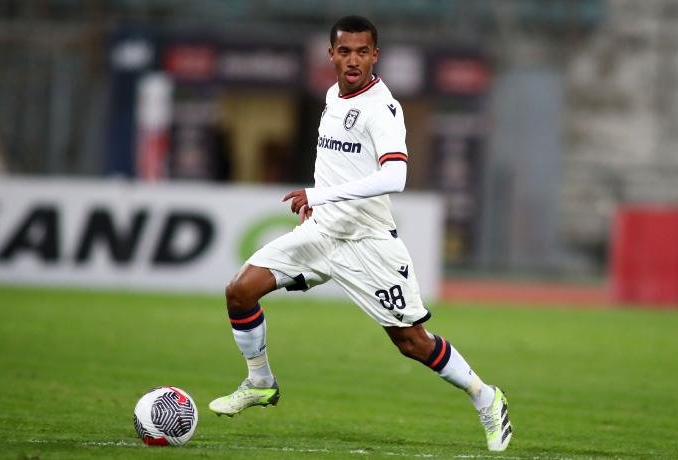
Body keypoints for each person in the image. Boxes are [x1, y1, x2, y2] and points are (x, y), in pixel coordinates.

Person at [209, 15, 512, 452]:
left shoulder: (382, 109)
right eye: (345, 51)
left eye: (362, 52)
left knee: (411, 342)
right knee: (239, 291)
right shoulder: (332, 96)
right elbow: (340, 161)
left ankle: (486, 397)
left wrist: (320, 194)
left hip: (368, 243)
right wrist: (319, 202)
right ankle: (260, 382)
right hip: (321, 233)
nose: (353, 60)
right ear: (331, 55)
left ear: (375, 56)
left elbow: (395, 177)